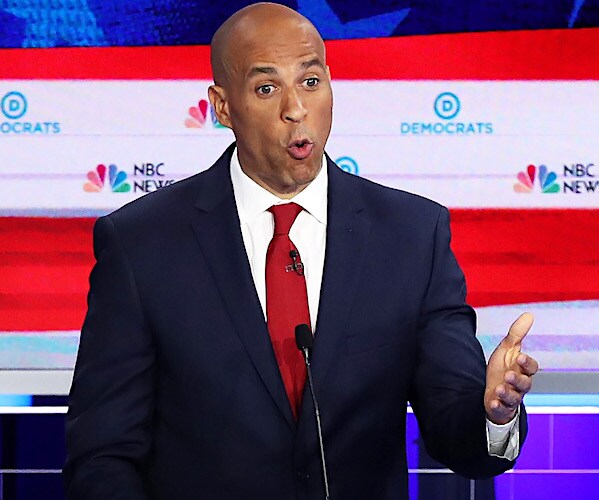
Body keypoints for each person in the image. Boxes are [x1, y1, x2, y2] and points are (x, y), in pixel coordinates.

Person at [64, 3, 539, 499]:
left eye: (310, 82)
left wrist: (492, 413)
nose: (296, 107)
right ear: (222, 107)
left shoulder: (412, 236)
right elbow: (103, 453)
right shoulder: (143, 243)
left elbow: (454, 425)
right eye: (266, 88)